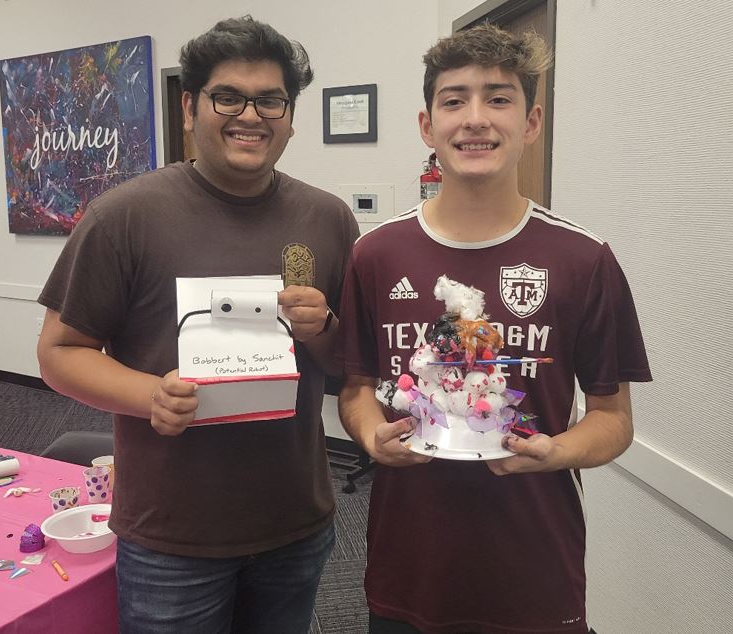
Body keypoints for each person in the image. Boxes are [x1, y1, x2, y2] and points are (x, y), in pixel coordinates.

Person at [37, 16, 358, 633]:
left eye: (271, 100)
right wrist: (147, 393)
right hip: (170, 536)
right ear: (191, 107)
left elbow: (352, 369)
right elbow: (58, 352)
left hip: (294, 520)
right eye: (228, 97)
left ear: (290, 116)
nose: (251, 115)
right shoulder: (123, 216)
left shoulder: (327, 219)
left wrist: (322, 330)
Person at [337, 24, 652, 634]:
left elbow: (614, 419)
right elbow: (355, 389)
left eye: (499, 98)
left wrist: (555, 452)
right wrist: (372, 437)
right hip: (408, 568)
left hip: (535, 570)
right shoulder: (375, 254)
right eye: (454, 100)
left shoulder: (584, 260)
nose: (475, 118)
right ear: (427, 126)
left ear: (531, 123)